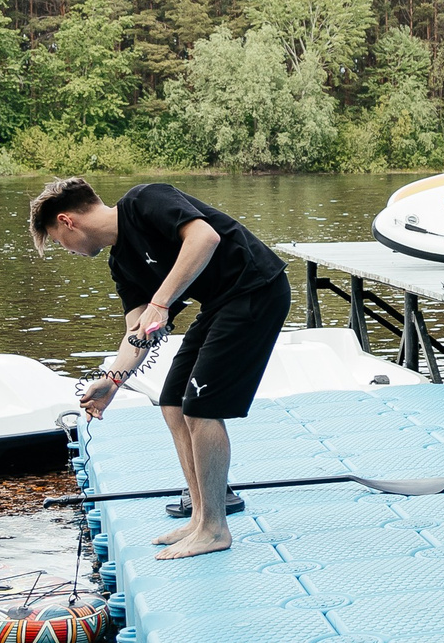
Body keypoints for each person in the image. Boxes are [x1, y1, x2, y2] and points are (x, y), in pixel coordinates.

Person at [30, 176, 289, 560]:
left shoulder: (144, 200)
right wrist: (113, 381)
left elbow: (204, 238)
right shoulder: (122, 264)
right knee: (172, 402)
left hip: (257, 288)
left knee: (201, 409)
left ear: (67, 221)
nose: (64, 249)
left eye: (57, 240)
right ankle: (200, 517)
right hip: (220, 304)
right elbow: (139, 332)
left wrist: (161, 303)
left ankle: (215, 528)